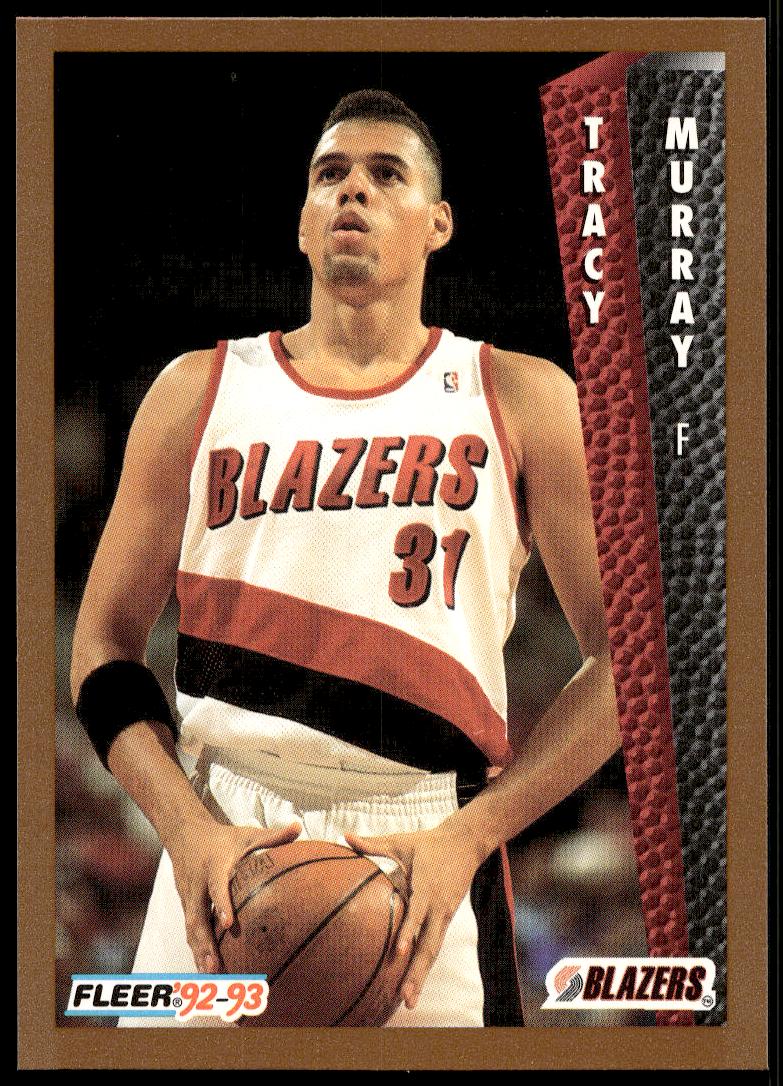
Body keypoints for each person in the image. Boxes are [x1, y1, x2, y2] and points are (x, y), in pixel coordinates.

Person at [70, 88, 621, 1028]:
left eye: (385, 174)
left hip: (430, 842)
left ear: (437, 222)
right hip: (220, 836)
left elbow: (629, 665)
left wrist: (475, 834)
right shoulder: (198, 390)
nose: (352, 191)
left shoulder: (520, 396)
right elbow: (102, 648)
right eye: (330, 174)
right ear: (301, 221)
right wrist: (183, 828)